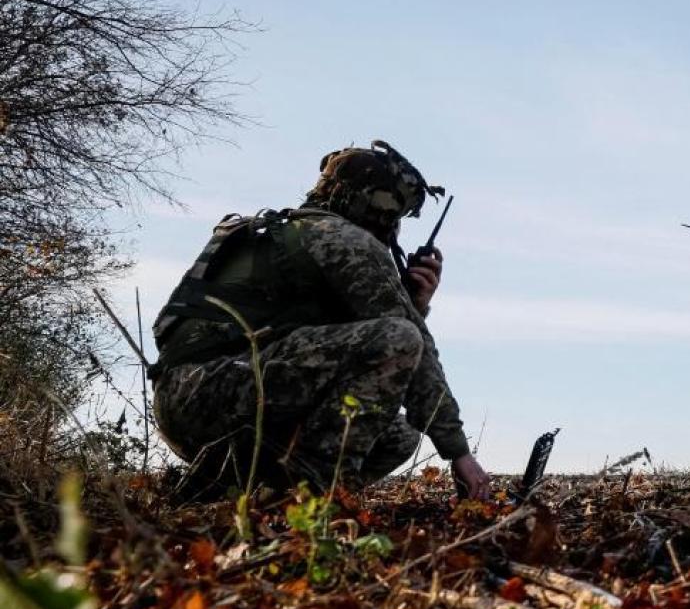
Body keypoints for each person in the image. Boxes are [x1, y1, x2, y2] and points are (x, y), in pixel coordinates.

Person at [149, 140, 492, 501]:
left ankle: (251, 498)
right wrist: (458, 453)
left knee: (399, 435)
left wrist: (413, 305)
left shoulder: (281, 231)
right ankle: (314, 503)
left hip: (189, 402)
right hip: (220, 394)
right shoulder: (342, 238)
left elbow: (338, 353)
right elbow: (405, 347)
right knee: (400, 337)